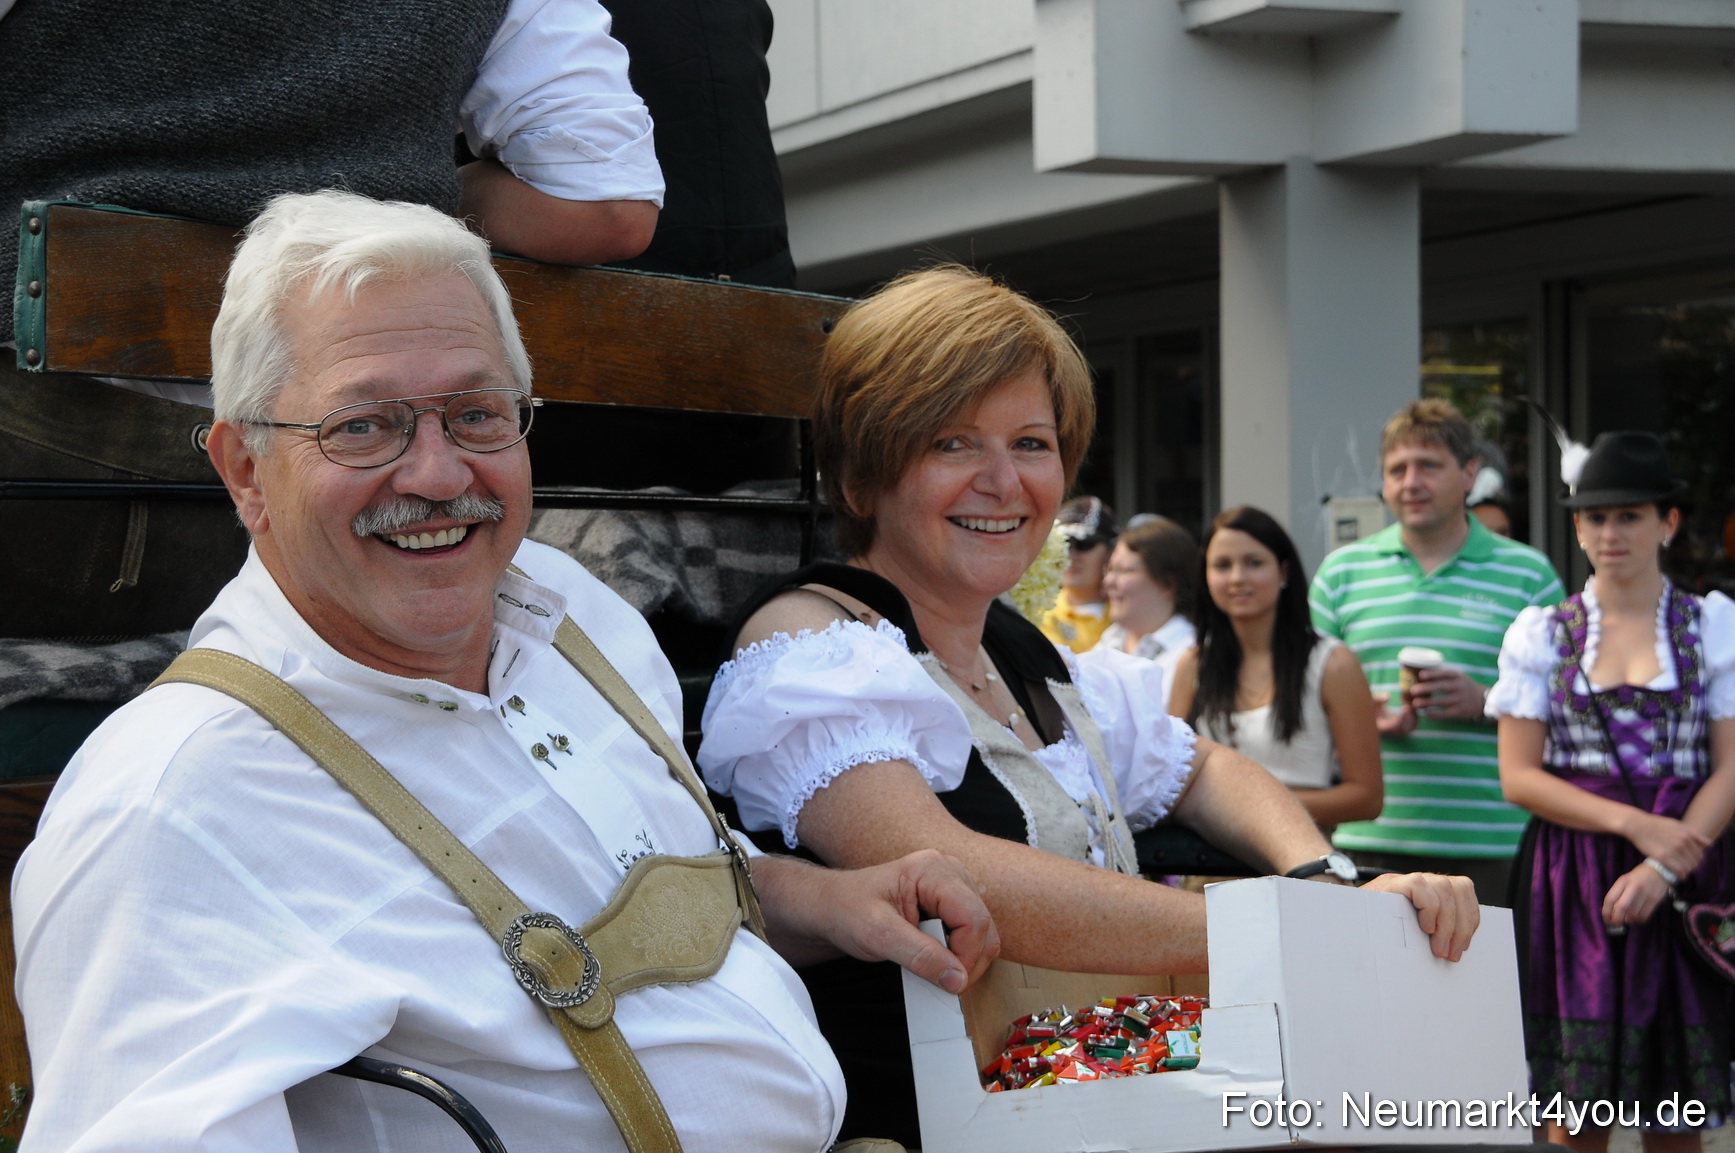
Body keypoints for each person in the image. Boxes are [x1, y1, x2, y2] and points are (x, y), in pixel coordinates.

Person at [10, 191, 999, 1153]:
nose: (439, 474)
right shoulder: (171, 804)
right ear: (245, 471)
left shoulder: (574, 613)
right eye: (362, 425)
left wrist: (826, 900)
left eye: (476, 413)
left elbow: (647, 877)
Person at [697, 264, 1480, 1148]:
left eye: (1031, 443)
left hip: (1095, 1103)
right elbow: (949, 866)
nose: (1004, 481)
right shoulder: (807, 644)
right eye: (952, 442)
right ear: (860, 475)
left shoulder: (1026, 652)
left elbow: (1202, 768)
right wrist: (1277, 933)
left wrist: (1320, 879)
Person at [0, 0, 664, 638]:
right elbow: (605, 200)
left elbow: (611, 207)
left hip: (54, 468)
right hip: (302, 507)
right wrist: (400, 191)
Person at [1487, 430, 1735, 1153]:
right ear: (1576, 528)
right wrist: (1637, 825)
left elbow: (1730, 768)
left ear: (1667, 522)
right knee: (1575, 1111)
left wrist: (1664, 862)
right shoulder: (1540, 633)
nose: (1610, 533)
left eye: (1629, 515)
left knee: (1676, 1111)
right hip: (1574, 876)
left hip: (1688, 861)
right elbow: (1518, 776)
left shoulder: (1713, 624)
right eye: (1594, 517)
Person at [1310, 399, 1564, 906]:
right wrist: (1359, 721)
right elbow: (1304, 708)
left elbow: (1569, 706)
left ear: (1470, 474)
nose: (1411, 483)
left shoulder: (1529, 575)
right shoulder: (1340, 575)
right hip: (1369, 837)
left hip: (1494, 843)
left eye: (1428, 466)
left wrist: (1485, 701)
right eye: (1397, 469)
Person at [1170, 506, 1383, 832]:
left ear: (1284, 572)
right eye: (1222, 565)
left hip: (1299, 854)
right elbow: (1169, 776)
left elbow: (1367, 798)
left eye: (1254, 563)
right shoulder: (1193, 664)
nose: (1237, 577)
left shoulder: (1332, 664)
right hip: (1204, 858)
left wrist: (1253, 805)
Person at [1095, 515, 1198, 704]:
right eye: (1109, 569)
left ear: (1168, 583)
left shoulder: (1193, 652)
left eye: (1124, 570)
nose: (1108, 582)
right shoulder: (1110, 640)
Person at [1037, 495, 1118, 652]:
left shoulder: (1132, 610)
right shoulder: (1039, 616)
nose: (1071, 556)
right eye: (1064, 545)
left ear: (1111, 551)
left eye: (1084, 544)